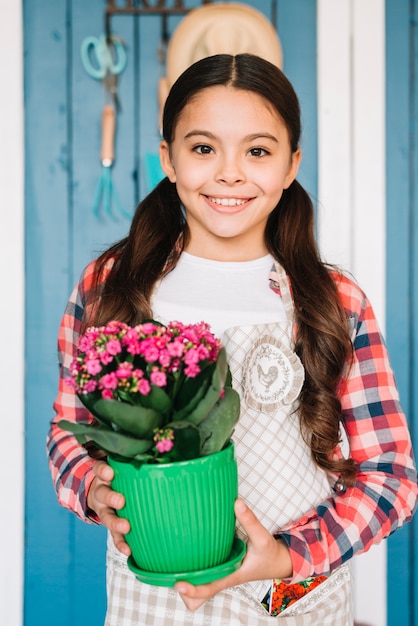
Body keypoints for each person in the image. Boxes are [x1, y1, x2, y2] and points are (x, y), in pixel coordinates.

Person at [47, 54, 418, 625]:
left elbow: (389, 477)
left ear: (292, 164)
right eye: (203, 149)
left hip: (296, 603)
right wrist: (93, 490)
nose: (230, 173)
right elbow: (69, 436)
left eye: (258, 151)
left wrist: (291, 555)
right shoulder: (110, 287)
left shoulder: (335, 301)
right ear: (168, 158)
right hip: (152, 604)